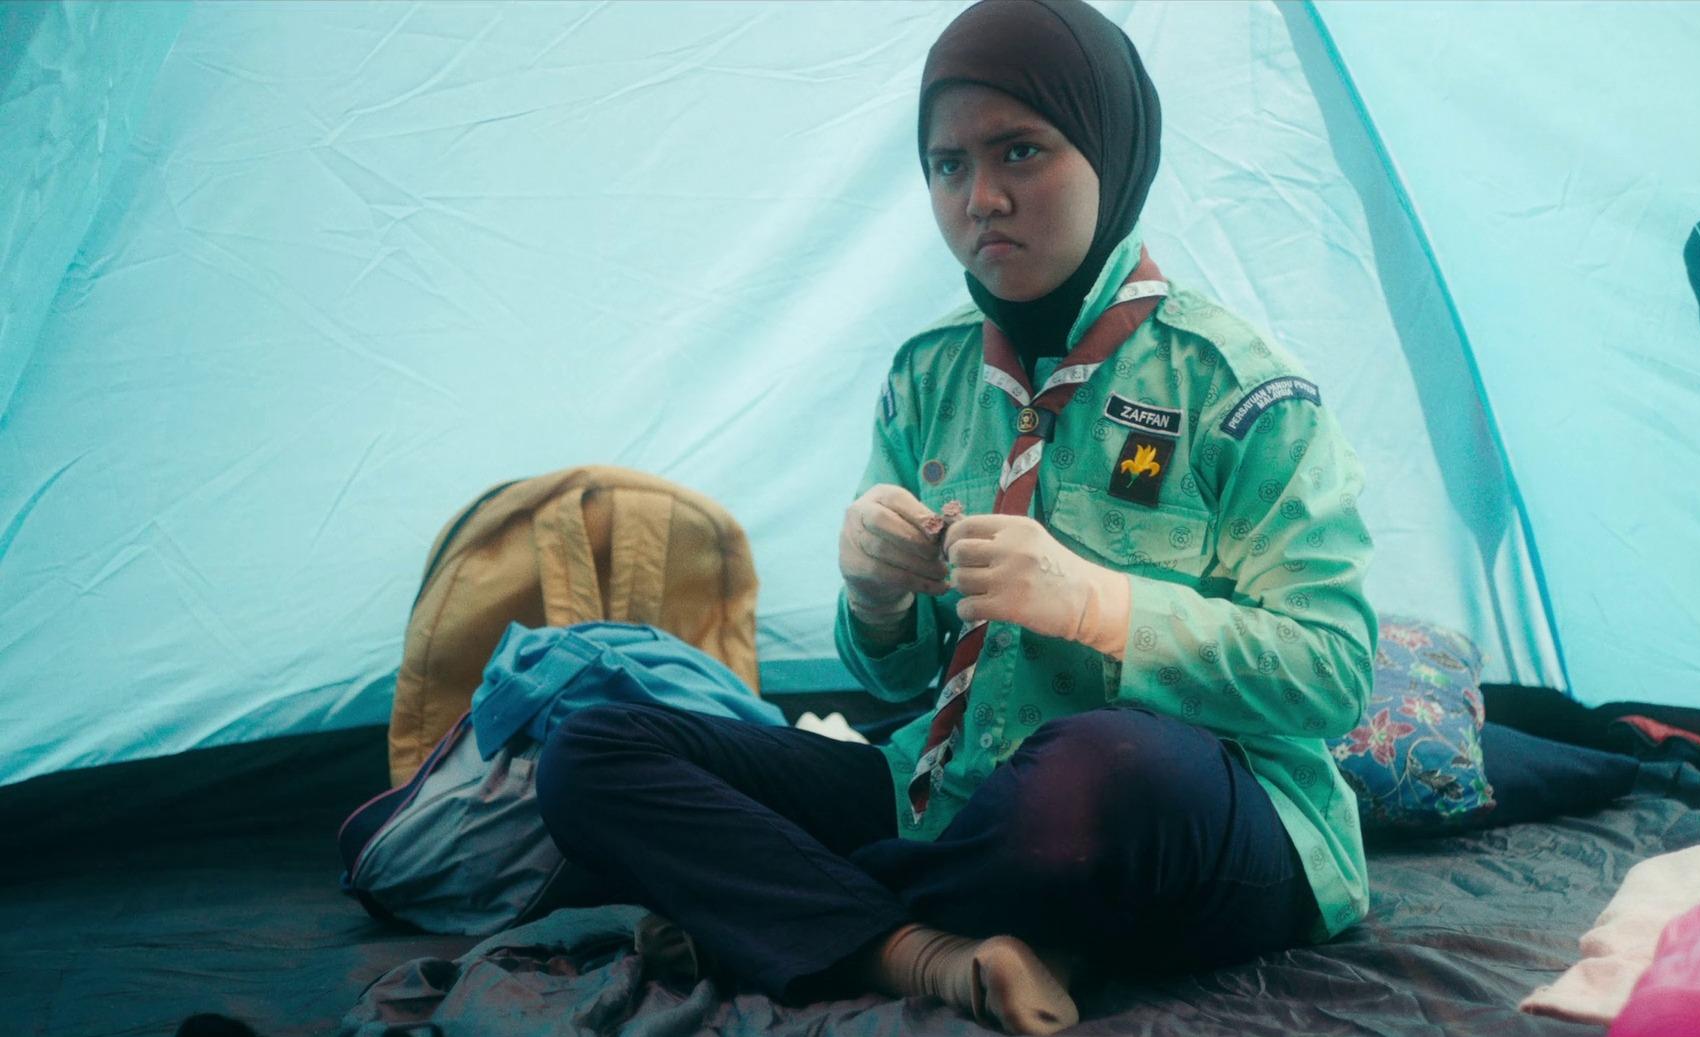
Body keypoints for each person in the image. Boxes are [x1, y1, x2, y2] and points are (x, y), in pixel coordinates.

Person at [534, 2, 1377, 1034]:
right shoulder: (927, 378)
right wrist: (874, 598)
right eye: (947, 165)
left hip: (1189, 814)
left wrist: (1100, 605)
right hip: (953, 794)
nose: (981, 198)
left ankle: (776, 907)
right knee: (587, 748)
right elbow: (896, 683)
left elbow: (1332, 671)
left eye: (1021, 151)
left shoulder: (1238, 391)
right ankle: (923, 952)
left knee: (1099, 772)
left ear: (1110, 150)